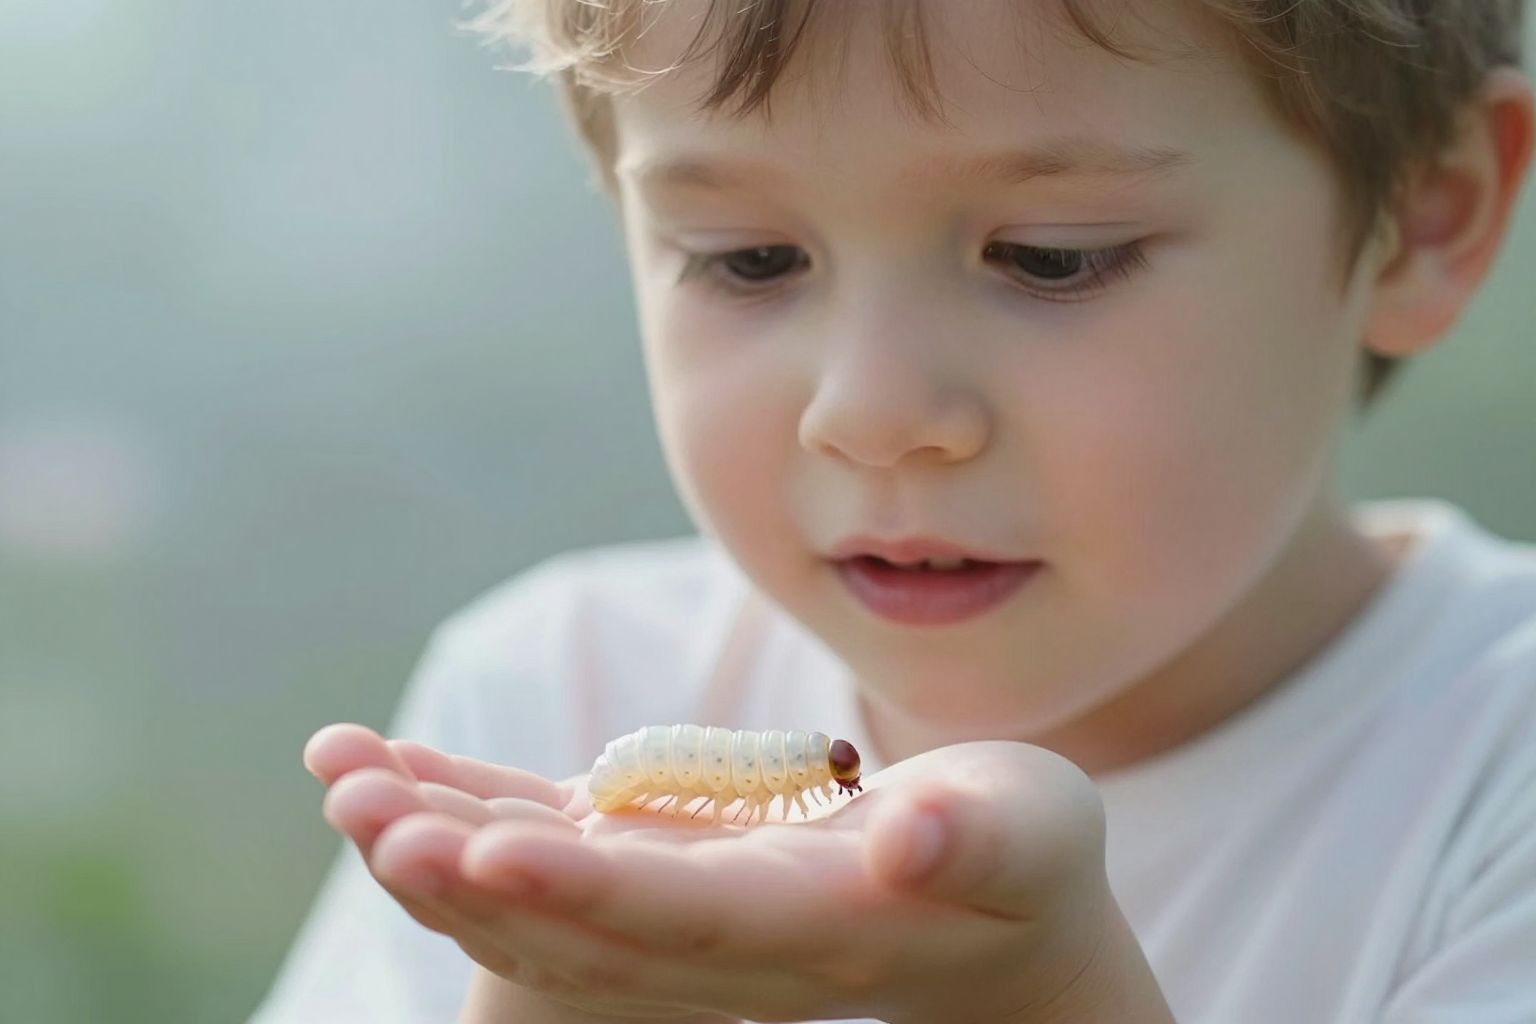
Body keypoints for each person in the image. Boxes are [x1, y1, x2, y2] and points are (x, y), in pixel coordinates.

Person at [250, 0, 1536, 1021]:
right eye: (749, 259)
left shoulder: (1500, 779)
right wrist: (570, 990)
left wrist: (1038, 999)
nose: (866, 412)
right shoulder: (549, 699)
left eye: (1053, 254)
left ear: (1428, 214)